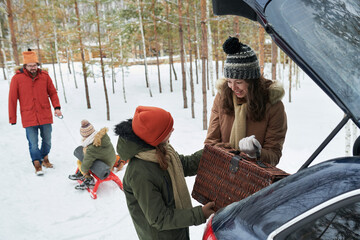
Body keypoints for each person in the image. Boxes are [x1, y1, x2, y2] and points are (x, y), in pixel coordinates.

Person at [114, 106, 215, 240]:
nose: (172, 130)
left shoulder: (159, 150)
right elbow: (159, 218)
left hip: (176, 230)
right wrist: (200, 214)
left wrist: (211, 153)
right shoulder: (140, 173)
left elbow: (183, 165)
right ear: (156, 136)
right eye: (167, 129)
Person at [204, 37, 287, 166]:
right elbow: (210, 143)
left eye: (239, 82)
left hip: (254, 177)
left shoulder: (273, 105)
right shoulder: (222, 98)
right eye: (229, 81)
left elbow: (274, 155)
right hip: (223, 171)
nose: (233, 87)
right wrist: (236, 153)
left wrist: (256, 153)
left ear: (252, 81)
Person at [8, 49, 62, 175]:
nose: (33, 68)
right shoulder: (17, 78)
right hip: (28, 116)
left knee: (47, 140)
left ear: (37, 65)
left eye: (35, 65)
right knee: (33, 143)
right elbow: (12, 99)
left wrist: (57, 107)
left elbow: (53, 93)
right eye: (30, 66)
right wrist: (12, 118)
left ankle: (44, 157)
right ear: (25, 66)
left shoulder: (44, 76)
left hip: (44, 114)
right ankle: (37, 164)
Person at [68, 120, 116, 190]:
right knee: (86, 157)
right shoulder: (102, 137)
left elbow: (86, 163)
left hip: (103, 167)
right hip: (111, 160)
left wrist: (84, 171)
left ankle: (88, 178)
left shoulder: (91, 148)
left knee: (81, 161)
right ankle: (80, 173)